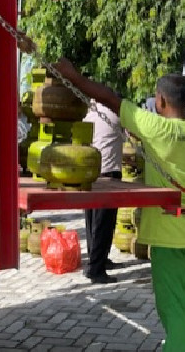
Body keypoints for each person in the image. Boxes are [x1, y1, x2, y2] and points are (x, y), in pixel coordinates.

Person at [15, 39, 185, 351]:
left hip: (169, 236)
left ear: (160, 101)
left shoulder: (154, 127)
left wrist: (75, 79)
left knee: (175, 303)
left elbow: (112, 99)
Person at [82, 101, 124, 284]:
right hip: (108, 173)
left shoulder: (88, 114)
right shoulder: (116, 114)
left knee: (92, 220)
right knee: (104, 224)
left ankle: (95, 259)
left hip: (89, 174)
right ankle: (95, 270)